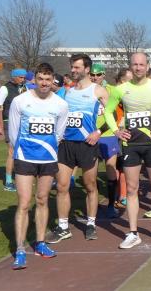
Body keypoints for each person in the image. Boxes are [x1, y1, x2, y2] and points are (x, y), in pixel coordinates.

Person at [103, 52, 151, 248]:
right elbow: (109, 112)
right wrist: (116, 131)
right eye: (135, 64)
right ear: (131, 67)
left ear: (147, 66)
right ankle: (133, 233)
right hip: (131, 144)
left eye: (141, 64)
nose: (138, 68)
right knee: (131, 188)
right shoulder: (121, 89)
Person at [8, 63, 69, 269]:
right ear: (34, 79)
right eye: (40, 79)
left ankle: (40, 243)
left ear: (53, 81)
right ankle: (20, 249)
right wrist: (23, 150)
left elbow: (59, 134)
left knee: (42, 199)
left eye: (48, 79)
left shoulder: (61, 104)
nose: (44, 83)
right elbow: (13, 132)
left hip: (48, 158)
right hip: (25, 157)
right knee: (24, 203)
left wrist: (46, 148)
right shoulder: (20, 101)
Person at [46, 54, 110, 243]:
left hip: (87, 144)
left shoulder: (98, 90)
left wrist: (98, 132)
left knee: (90, 185)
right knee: (62, 186)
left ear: (87, 69)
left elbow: (115, 115)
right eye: (72, 67)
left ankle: (91, 224)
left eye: (76, 67)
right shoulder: (67, 92)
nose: (72, 70)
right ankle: (63, 227)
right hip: (66, 144)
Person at [99, 68, 130, 217]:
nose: (95, 77)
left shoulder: (116, 91)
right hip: (106, 133)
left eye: (98, 75)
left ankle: (122, 195)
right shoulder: (112, 91)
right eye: (128, 80)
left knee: (120, 166)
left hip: (117, 133)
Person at [0, 68, 28, 191]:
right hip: (9, 122)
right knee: (12, 151)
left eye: (24, 77)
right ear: (14, 77)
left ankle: (22, 177)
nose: (23, 79)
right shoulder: (5, 89)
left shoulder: (25, 88)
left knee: (23, 150)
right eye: (20, 77)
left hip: (23, 123)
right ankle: (8, 182)